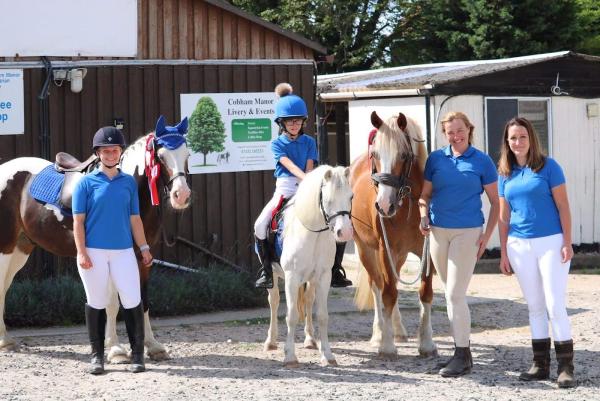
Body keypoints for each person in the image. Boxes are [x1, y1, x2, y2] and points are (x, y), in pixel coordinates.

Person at [418, 111, 499, 377]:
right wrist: (422, 216)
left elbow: (497, 203)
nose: (456, 135)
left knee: (455, 293)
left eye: (460, 130)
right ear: (445, 134)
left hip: (467, 232)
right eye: (450, 131)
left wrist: (487, 236)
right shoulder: (436, 159)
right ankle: (459, 352)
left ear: (469, 130)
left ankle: (463, 355)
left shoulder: (482, 161)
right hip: (439, 232)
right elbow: (425, 196)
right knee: (449, 294)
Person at [497, 117, 575, 388]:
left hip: (551, 242)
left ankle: (566, 367)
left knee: (554, 304)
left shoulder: (549, 166)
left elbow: (563, 206)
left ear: (531, 139)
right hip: (518, 246)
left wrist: (567, 241)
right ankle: (540, 364)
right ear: (507, 142)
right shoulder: (505, 173)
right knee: (535, 306)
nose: (517, 142)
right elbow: (503, 217)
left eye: (522, 137)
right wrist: (504, 252)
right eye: (512, 138)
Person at [254, 83, 352, 289]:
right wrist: (307, 179)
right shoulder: (277, 144)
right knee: (260, 225)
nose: (294, 124)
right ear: (281, 123)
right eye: (290, 121)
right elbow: (287, 165)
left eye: (297, 121)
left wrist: (308, 181)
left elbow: (309, 166)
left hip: (308, 186)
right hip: (285, 188)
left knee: (337, 220)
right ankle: (266, 271)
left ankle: (335, 270)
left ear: (303, 121)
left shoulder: (308, 142)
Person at [73, 126, 153, 375]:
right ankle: (97, 356)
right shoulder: (85, 183)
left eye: (114, 150)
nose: (110, 154)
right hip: (94, 252)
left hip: (123, 253)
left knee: (132, 300)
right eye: (105, 151)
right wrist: (81, 252)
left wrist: (144, 247)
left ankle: (137, 354)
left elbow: (135, 219)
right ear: (98, 153)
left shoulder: (128, 182)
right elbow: (78, 222)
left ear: (120, 152)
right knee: (97, 302)